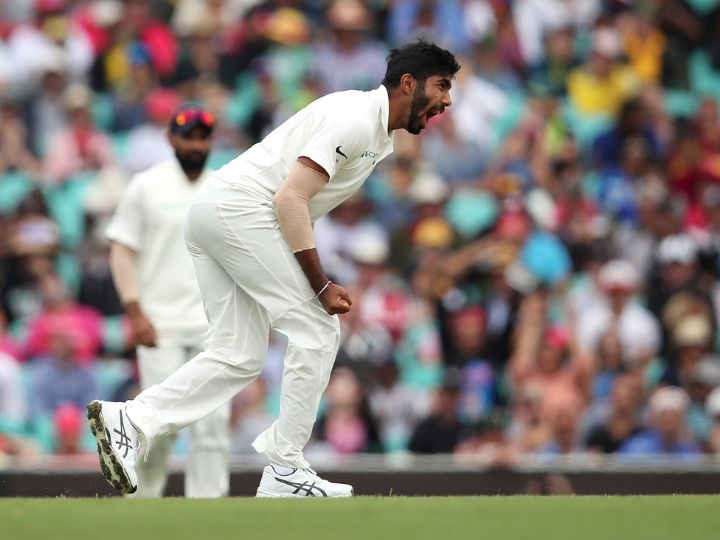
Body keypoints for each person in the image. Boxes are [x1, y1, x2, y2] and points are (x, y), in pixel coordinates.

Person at [88, 39, 459, 498]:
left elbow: (292, 202)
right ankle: (285, 466)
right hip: (240, 210)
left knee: (239, 355)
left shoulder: (378, 132)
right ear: (409, 83)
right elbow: (289, 199)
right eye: (442, 86)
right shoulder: (358, 119)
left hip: (217, 210)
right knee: (319, 328)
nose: (447, 99)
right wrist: (319, 285)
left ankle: (131, 420)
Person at [104, 104, 231, 498]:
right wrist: (134, 310)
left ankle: (208, 511)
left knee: (212, 425)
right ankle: (142, 506)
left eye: (203, 136)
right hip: (160, 325)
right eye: (188, 136)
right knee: (157, 426)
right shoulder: (147, 185)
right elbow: (122, 249)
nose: (196, 143)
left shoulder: (224, 186)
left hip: (214, 326)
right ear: (171, 138)